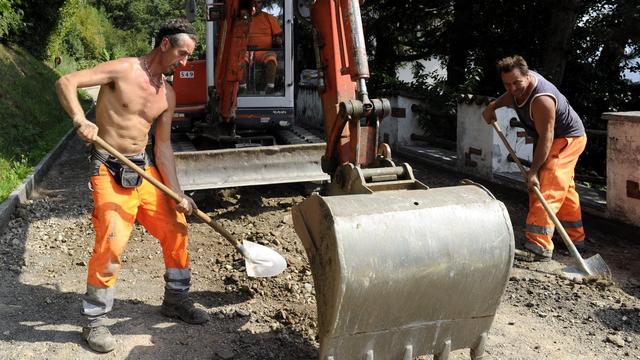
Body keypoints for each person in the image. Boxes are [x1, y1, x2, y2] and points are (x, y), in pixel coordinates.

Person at [55, 19, 209, 353]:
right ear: (165, 44)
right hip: (108, 166)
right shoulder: (122, 70)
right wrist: (80, 119)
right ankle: (94, 320)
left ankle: (176, 299)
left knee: (177, 228)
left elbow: (163, 147)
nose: (184, 63)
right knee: (113, 239)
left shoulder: (167, 92)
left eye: (188, 57)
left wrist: (178, 193)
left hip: (145, 168)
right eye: (182, 54)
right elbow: (67, 81)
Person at [482, 55, 587, 262]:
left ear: (528, 76)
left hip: (566, 139)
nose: (512, 88)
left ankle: (538, 246)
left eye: (516, 83)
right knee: (564, 188)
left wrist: (533, 172)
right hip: (553, 138)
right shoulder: (515, 88)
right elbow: (508, 97)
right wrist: (492, 107)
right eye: (507, 84)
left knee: (545, 187)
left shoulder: (542, 100)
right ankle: (574, 239)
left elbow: (547, 139)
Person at [240, 0, 283, 94]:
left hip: (265, 52)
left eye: (258, 2)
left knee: (271, 59)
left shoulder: (269, 18)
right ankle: (242, 88)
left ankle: (270, 88)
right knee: (240, 60)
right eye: (252, 2)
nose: (255, 5)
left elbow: (279, 35)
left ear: (262, 4)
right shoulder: (243, 19)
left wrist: (278, 40)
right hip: (246, 51)